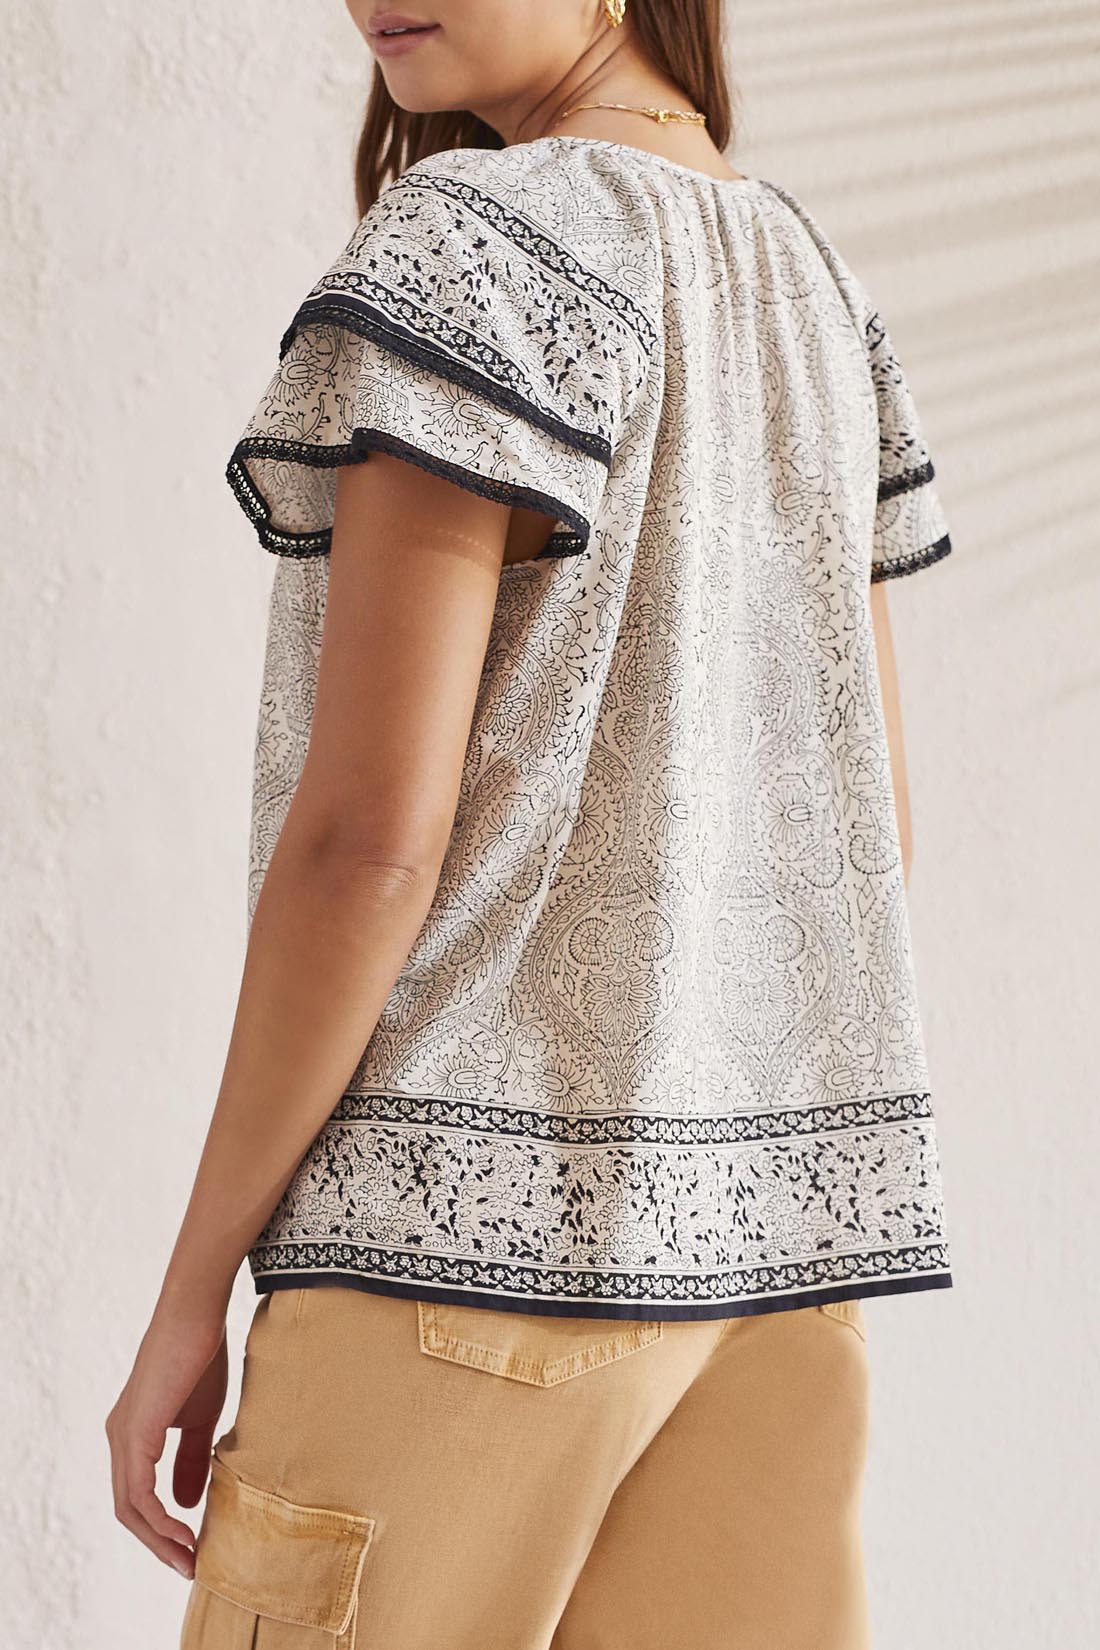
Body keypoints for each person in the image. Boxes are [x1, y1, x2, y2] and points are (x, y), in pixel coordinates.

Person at [105, 3, 957, 1646]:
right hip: (766, 1289)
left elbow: (369, 838)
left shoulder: (467, 248)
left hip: (441, 1280)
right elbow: (872, 833)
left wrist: (188, 1282)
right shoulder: (816, 290)